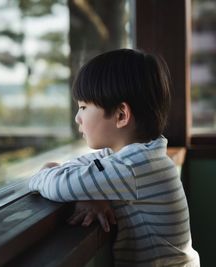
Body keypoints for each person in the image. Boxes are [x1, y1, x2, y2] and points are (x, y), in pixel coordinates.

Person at [29, 49, 200, 266]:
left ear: (121, 115)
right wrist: (91, 193)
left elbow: (59, 186)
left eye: (83, 107)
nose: (77, 117)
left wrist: (45, 170)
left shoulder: (133, 167)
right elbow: (80, 170)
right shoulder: (136, 156)